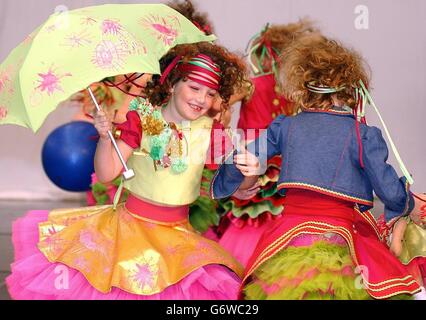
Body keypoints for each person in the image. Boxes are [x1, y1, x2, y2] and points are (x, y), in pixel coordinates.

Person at [6, 41, 250, 300]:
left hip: (178, 236)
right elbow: (107, 173)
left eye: (211, 93)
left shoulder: (210, 132)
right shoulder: (142, 120)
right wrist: (103, 138)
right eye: (194, 87)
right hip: (128, 232)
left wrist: (249, 172)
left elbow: (238, 181)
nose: (202, 98)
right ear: (171, 83)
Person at [211, 33, 423, 299]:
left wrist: (233, 177)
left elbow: (245, 158)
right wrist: (404, 207)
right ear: (351, 89)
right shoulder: (363, 135)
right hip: (340, 238)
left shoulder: (285, 125)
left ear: (302, 87)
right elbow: (389, 191)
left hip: (288, 240)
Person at [216, 19, 318, 266]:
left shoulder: (252, 85)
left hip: (257, 159)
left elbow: (222, 100)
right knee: (286, 217)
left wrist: (222, 122)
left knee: (254, 218)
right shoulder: (297, 89)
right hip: (288, 164)